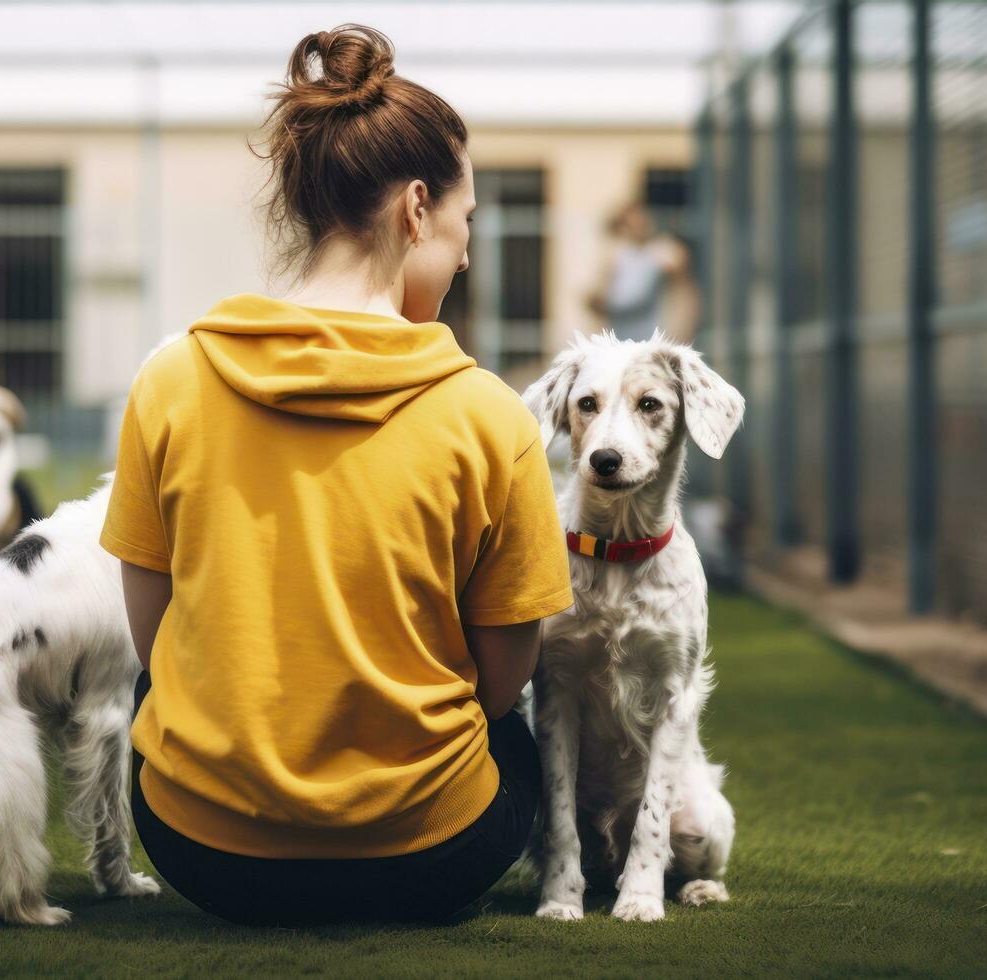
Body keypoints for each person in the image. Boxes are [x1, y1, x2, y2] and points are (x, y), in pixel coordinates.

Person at [99, 24, 574, 927]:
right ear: (415, 209)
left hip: (203, 853)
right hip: (432, 855)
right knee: (509, 732)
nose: (466, 253)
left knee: (150, 693)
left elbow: (154, 637)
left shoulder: (169, 380)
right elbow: (504, 672)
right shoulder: (488, 414)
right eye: (464, 223)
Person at [587, 200, 700, 344]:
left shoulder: (662, 253)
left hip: (653, 338)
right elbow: (602, 300)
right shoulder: (616, 257)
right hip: (622, 337)